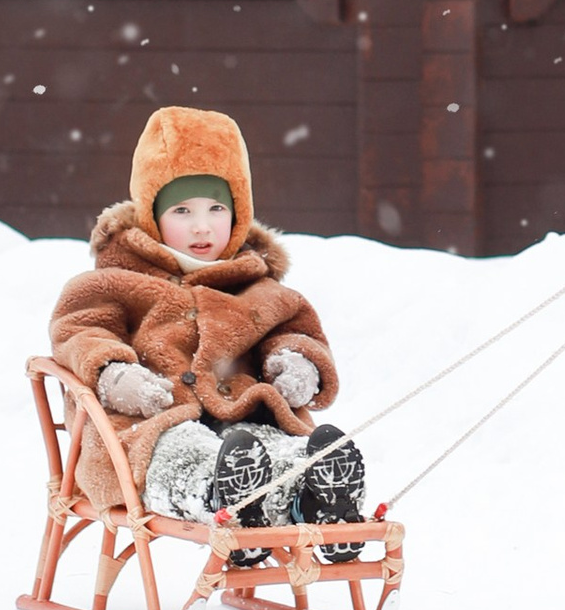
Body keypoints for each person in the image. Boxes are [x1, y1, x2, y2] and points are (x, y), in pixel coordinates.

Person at [49, 103, 368, 537]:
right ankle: (217, 495)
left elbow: (293, 331)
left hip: (245, 421)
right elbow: (80, 329)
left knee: (275, 449)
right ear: (152, 215)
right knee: (180, 450)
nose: (202, 227)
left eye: (216, 209)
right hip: (148, 425)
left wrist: (296, 362)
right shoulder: (114, 281)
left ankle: (316, 496)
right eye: (182, 211)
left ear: (238, 214)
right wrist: (113, 372)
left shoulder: (257, 288)